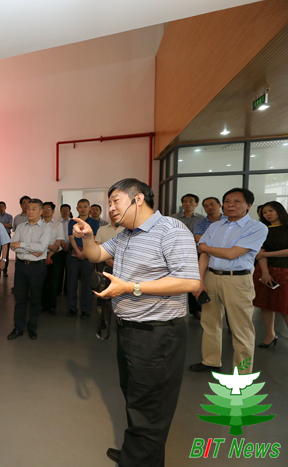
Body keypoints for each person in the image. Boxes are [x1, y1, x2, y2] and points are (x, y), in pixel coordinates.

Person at [72, 178, 200, 467]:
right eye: (109, 203)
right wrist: (88, 237)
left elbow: (190, 281)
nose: (110, 208)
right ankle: (136, 453)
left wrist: (131, 287)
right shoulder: (126, 235)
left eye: (115, 201)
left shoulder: (170, 229)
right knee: (136, 399)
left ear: (138, 199)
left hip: (158, 335)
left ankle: (139, 460)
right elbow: (96, 254)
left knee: (150, 408)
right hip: (130, 330)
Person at [191, 188, 268, 374]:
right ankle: (210, 361)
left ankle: (242, 373)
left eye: (237, 201)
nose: (231, 205)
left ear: (248, 205)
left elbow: (232, 253)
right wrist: (199, 281)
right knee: (209, 322)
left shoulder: (257, 228)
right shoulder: (215, 226)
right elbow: (203, 253)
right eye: (227, 201)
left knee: (241, 328)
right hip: (211, 277)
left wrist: (206, 247)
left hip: (238, 280)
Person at [8, 198, 51, 340]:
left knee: (35, 299)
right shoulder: (21, 227)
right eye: (28, 208)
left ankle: (32, 327)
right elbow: (13, 246)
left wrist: (22, 245)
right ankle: (18, 328)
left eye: (33, 209)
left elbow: (42, 248)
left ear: (41, 211)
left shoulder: (46, 228)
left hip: (37, 267)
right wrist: (31, 250)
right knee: (19, 299)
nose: (30, 211)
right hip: (21, 266)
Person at [253, 201, 288, 348]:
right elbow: (260, 253)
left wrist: (267, 254)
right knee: (265, 305)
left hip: (285, 272)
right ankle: (270, 335)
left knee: (284, 307)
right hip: (265, 271)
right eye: (264, 212)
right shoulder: (263, 230)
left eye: (270, 210)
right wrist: (265, 273)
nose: (267, 214)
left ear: (279, 210)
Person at [66, 199, 99, 319]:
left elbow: (93, 238)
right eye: (80, 207)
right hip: (74, 255)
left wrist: (84, 251)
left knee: (86, 285)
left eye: (85, 206)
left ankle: (85, 310)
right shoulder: (72, 221)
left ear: (89, 208)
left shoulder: (94, 222)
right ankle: (72, 309)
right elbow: (72, 238)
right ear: (77, 209)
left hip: (88, 256)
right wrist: (78, 252)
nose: (83, 209)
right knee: (71, 284)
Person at [41, 202, 66, 314]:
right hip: (40, 255)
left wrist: (49, 255)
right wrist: (46, 249)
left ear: (53, 211)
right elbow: (36, 243)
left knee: (53, 281)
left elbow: (57, 244)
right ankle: (42, 305)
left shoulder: (58, 225)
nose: (46, 211)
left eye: (49, 209)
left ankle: (52, 306)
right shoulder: (38, 224)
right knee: (41, 281)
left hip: (55, 256)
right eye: (44, 209)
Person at [55, 204, 73, 296]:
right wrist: (62, 243)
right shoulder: (57, 222)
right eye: (63, 210)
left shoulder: (73, 222)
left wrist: (69, 243)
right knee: (59, 270)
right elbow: (56, 234)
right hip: (59, 249)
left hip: (70, 248)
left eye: (67, 210)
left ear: (69, 211)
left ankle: (67, 290)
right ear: (60, 211)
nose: (65, 211)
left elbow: (74, 234)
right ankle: (58, 290)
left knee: (69, 270)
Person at [0, 201, 13, 277]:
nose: (1, 208)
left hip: (7, 235)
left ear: (5, 207)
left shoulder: (9, 216)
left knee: (6, 254)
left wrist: (0, 224)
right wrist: (5, 225)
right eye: (0, 206)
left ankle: (5, 271)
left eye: (2, 206)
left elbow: (10, 226)